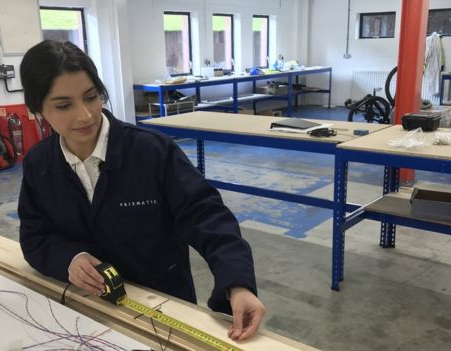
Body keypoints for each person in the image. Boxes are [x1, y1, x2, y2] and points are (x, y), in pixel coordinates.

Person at [17, 40, 265, 341]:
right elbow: (35, 235)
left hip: (163, 311)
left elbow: (207, 217)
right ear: (36, 110)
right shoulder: (39, 164)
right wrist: (69, 258)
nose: (84, 115)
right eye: (64, 105)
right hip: (86, 310)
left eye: (91, 97)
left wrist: (237, 284)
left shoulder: (153, 153)